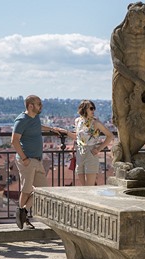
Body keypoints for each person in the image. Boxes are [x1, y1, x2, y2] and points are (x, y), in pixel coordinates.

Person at [110, 2, 145, 168]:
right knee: (122, 119)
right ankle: (126, 157)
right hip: (122, 82)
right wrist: (136, 81)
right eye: (138, 21)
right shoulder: (118, 34)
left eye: (144, 22)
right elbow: (117, 63)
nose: (141, 25)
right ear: (130, 17)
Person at [11, 95, 74, 230]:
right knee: (26, 190)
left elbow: (38, 126)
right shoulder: (21, 120)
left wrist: (52, 129)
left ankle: (22, 213)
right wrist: (24, 158)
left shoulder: (35, 118)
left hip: (37, 160)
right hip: (27, 160)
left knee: (43, 191)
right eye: (39, 104)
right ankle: (22, 217)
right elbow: (14, 141)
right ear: (30, 106)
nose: (41, 106)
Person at [74, 100, 114, 186]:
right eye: (91, 108)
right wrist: (65, 132)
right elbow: (77, 137)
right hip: (80, 153)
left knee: (89, 186)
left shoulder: (96, 123)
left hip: (91, 153)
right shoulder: (78, 121)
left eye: (94, 108)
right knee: (83, 186)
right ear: (84, 109)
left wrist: (99, 149)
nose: (93, 111)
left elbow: (110, 136)